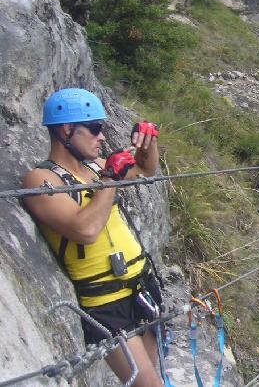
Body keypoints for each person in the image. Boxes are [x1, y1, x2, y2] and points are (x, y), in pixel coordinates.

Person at [21, 88, 164, 386]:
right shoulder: (42, 180)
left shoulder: (95, 167)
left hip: (140, 284)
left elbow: (146, 170)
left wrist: (148, 143)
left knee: (154, 372)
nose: (102, 137)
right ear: (66, 130)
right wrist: (110, 179)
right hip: (105, 301)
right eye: (95, 128)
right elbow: (85, 230)